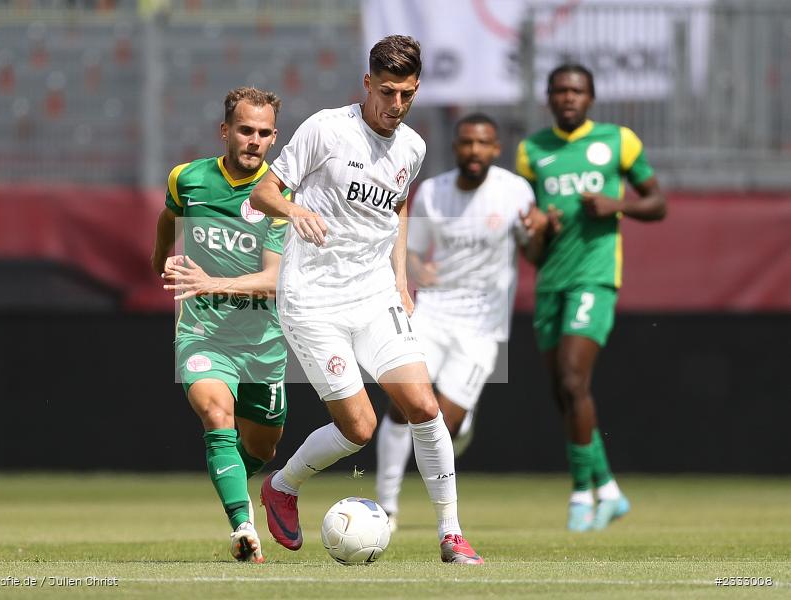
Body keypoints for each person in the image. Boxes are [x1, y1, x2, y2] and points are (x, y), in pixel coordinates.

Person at [249, 35, 483, 564]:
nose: (395, 106)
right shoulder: (326, 129)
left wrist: (400, 279)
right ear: (367, 84)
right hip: (312, 299)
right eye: (387, 92)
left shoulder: (413, 147)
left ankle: (451, 533)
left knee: (425, 408)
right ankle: (281, 487)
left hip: (374, 294)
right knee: (360, 429)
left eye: (407, 94)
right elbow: (262, 191)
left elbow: (396, 207)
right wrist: (293, 212)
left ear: (417, 89)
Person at [375, 113, 547, 532]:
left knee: (443, 427)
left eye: (482, 143)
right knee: (404, 406)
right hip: (433, 311)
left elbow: (536, 255)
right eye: (466, 143)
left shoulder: (515, 192)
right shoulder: (433, 193)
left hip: (483, 326)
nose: (474, 151)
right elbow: (410, 252)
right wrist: (418, 269)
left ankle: (462, 422)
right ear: (456, 147)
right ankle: (387, 507)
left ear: (495, 148)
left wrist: (540, 230)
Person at [515, 64, 666, 531]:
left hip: (595, 278)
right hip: (550, 281)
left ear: (591, 97)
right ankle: (610, 490)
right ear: (548, 97)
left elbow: (658, 203)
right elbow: (529, 240)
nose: (568, 97)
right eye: (559, 90)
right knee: (564, 392)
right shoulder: (530, 152)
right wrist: (540, 229)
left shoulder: (618, 141)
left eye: (576, 90)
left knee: (573, 379)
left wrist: (618, 205)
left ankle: (581, 493)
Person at [150, 87, 289, 562]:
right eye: (245, 130)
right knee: (216, 416)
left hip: (263, 343)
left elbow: (273, 282)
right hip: (203, 333)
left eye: (264, 133)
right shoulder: (187, 178)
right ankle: (243, 527)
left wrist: (212, 281)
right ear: (225, 131)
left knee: (264, 449)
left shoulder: (279, 194)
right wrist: (160, 260)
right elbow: (170, 215)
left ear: (274, 138)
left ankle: (230, 471)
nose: (254, 140)